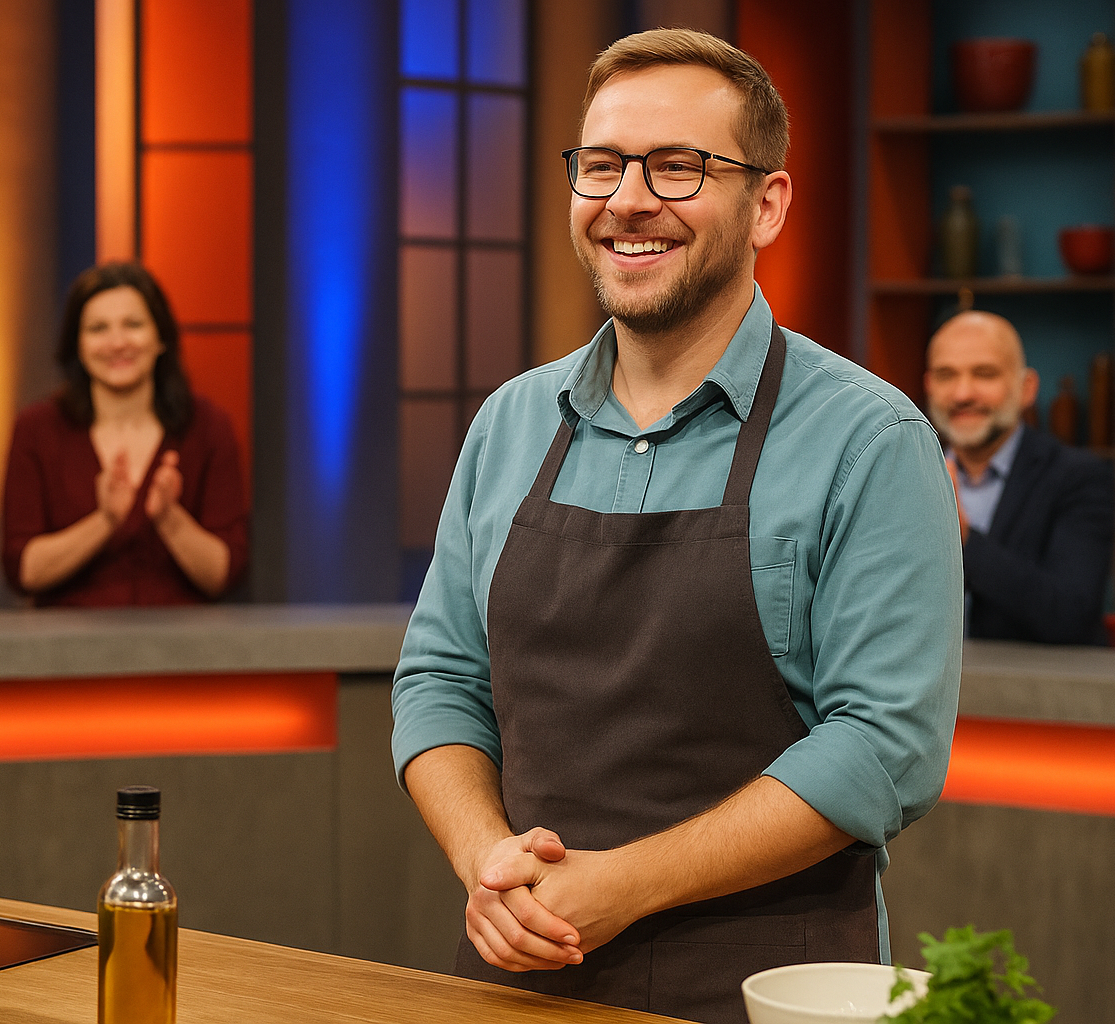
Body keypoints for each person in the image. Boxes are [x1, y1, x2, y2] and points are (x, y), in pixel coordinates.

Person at [390, 29, 962, 1024]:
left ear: (767, 205)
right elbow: (440, 678)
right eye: (602, 165)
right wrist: (488, 857)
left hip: (765, 990)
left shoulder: (870, 438)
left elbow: (882, 744)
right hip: (519, 978)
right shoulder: (509, 423)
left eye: (679, 167)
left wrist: (623, 884)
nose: (627, 200)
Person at [0, 263, 248, 606]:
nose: (117, 343)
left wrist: (169, 519)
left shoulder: (208, 426)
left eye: (133, 325)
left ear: (160, 338)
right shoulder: (37, 429)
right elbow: (23, 570)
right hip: (69, 651)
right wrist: (105, 521)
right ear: (78, 344)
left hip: (181, 650)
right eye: (98, 329)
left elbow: (224, 574)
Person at [924, 310, 1115, 644]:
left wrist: (964, 541)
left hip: (1034, 691)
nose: (962, 394)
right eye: (946, 375)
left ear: (1026, 388)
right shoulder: (909, 474)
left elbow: (1073, 616)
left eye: (984, 374)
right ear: (929, 386)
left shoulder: (1079, 477)